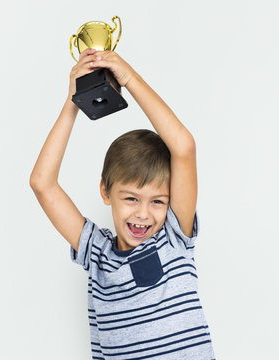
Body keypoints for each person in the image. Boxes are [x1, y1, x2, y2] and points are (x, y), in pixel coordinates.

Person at [29, 48, 216, 360]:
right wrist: (73, 101)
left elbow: (184, 147)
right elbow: (42, 183)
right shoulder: (97, 252)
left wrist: (130, 79)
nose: (143, 214)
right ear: (106, 192)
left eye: (158, 201)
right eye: (131, 198)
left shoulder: (174, 236)